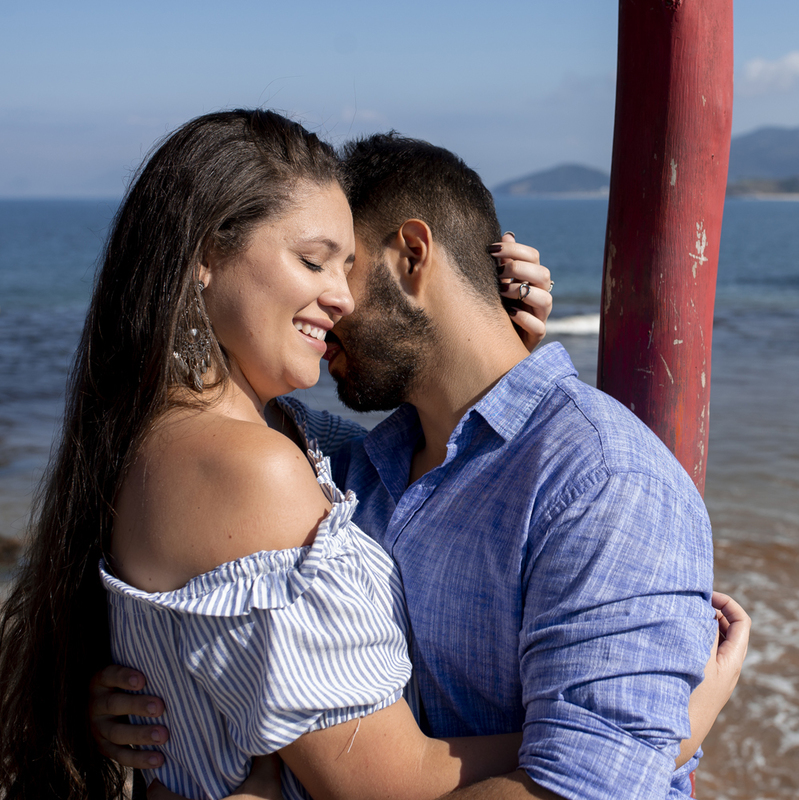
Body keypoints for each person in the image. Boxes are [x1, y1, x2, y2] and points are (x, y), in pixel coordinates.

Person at [97, 132, 745, 800]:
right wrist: (164, 685)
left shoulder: (602, 482)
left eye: (341, 267)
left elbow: (584, 789)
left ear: (412, 254)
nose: (335, 303)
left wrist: (632, 744)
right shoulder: (341, 467)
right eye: (315, 261)